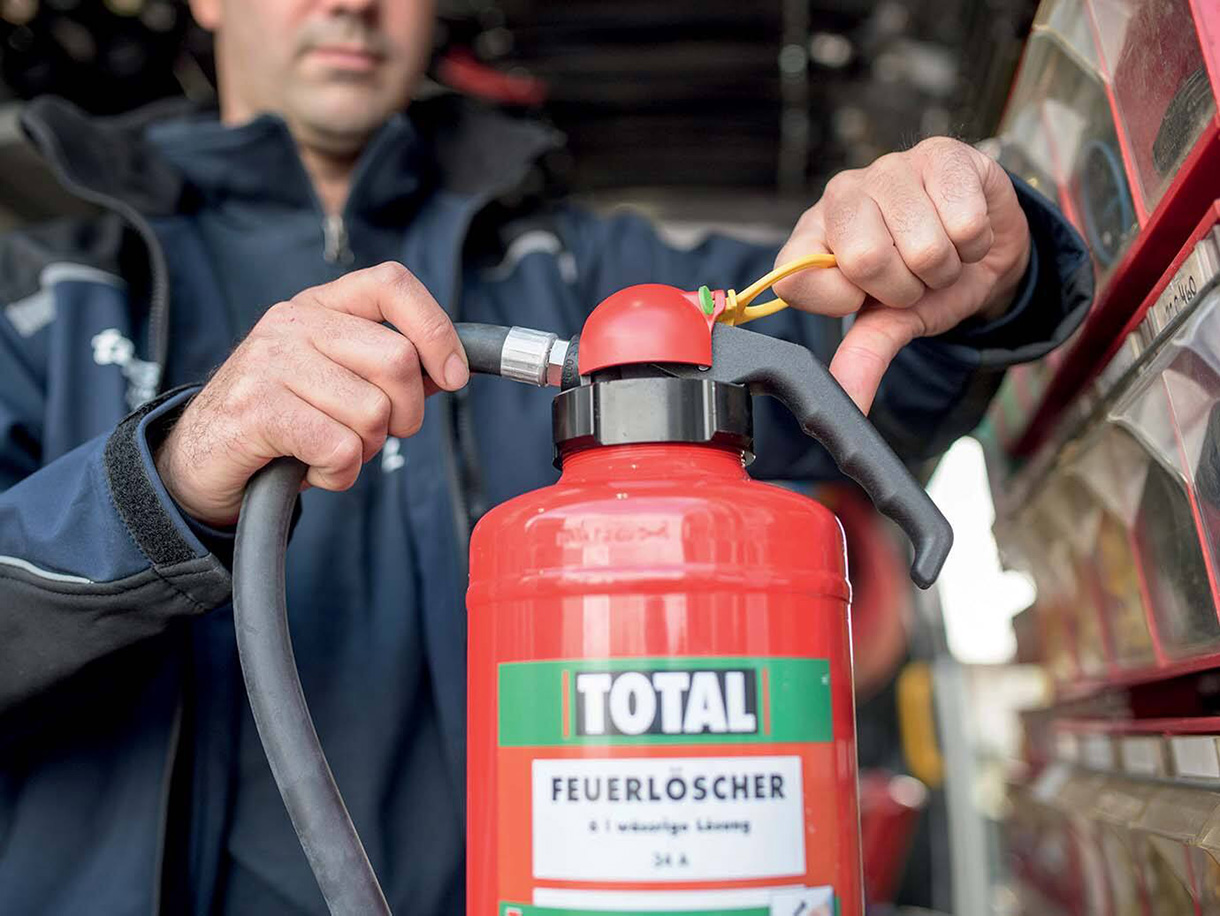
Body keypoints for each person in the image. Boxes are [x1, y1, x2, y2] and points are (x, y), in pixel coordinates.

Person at [0, 0, 1091, 912]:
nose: (349, 5)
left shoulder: (576, 270)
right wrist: (169, 476)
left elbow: (857, 363)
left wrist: (974, 261)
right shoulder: (45, 289)